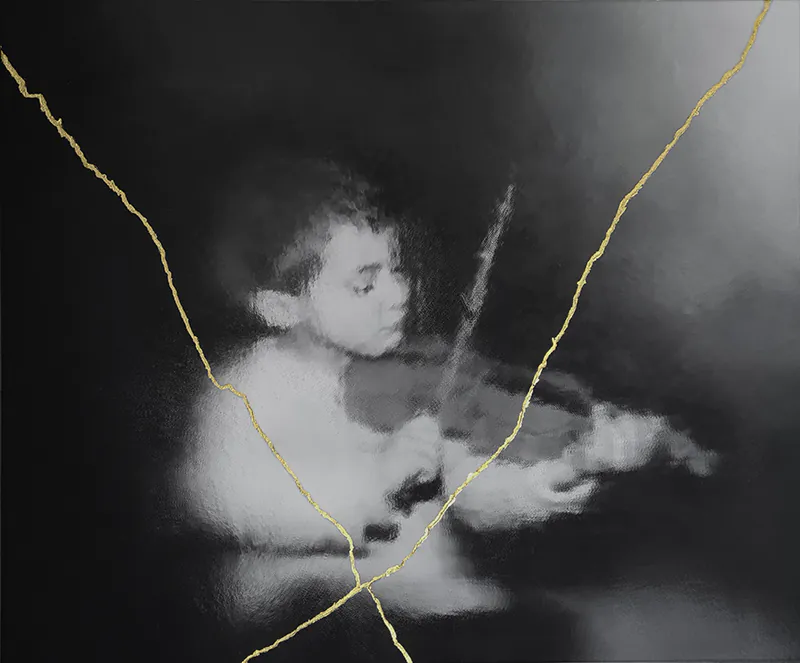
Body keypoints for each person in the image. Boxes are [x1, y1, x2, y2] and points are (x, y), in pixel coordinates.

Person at [169, 156, 716, 661]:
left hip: (436, 612)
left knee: (545, 637)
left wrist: (574, 463)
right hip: (308, 617)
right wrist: (373, 485)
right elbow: (227, 498)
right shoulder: (246, 391)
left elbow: (478, 490)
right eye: (365, 284)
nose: (398, 294)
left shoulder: (417, 378)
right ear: (280, 306)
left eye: (396, 270)